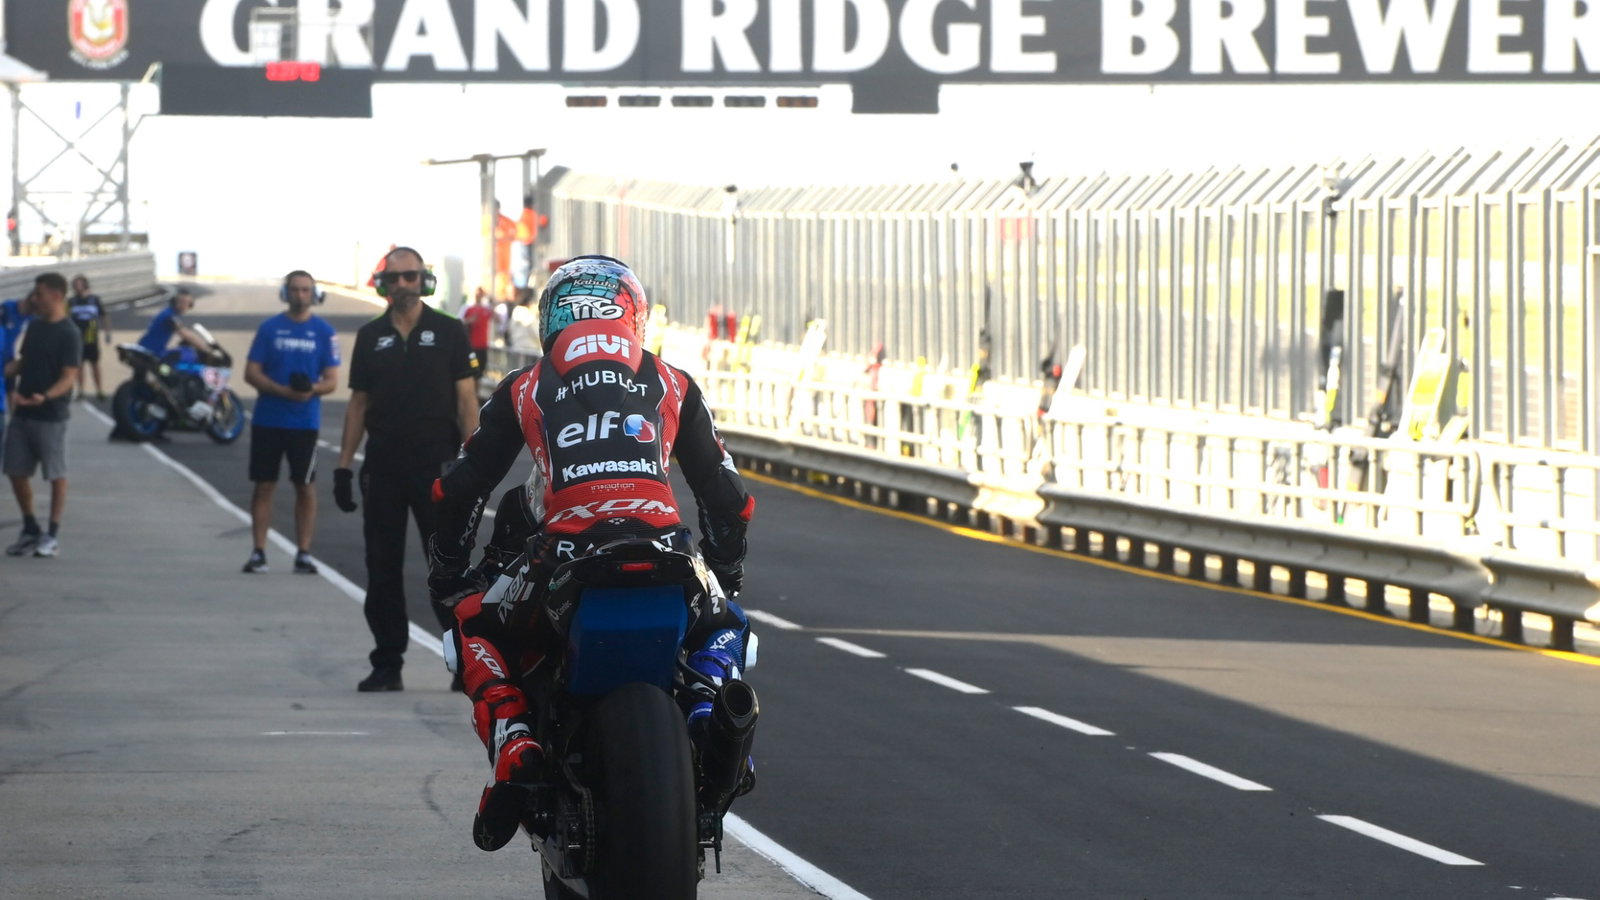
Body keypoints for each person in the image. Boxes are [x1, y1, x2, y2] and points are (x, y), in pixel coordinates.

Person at [426, 255, 755, 852]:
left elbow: (458, 489)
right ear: (634, 315)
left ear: (553, 319)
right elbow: (730, 499)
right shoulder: (672, 381)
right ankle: (712, 712)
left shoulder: (526, 385)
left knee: (474, 626)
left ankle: (516, 740)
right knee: (728, 623)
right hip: (666, 547)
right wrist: (724, 575)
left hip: (564, 552)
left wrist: (449, 576)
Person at [334, 246, 481, 693]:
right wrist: (343, 466)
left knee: (447, 568)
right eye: (395, 278)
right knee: (381, 568)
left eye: (410, 277)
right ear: (383, 283)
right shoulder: (370, 336)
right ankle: (387, 662)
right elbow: (358, 405)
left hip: (437, 467)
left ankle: (467, 662)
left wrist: (474, 465)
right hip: (383, 468)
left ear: (424, 280)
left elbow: (466, 401)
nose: (403, 285)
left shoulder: (450, 331)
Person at [241, 270, 341, 575]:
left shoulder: (324, 332)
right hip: (268, 419)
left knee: (305, 486)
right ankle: (259, 551)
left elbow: (332, 381)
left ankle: (304, 553)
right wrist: (280, 390)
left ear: (314, 294)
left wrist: (310, 389)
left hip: (305, 423)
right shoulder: (270, 328)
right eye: (295, 290)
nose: (300, 295)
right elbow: (251, 373)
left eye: (305, 290)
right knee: (264, 485)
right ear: (286, 292)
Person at [4, 273, 81, 558]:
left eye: (39, 294)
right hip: (23, 410)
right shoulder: (35, 328)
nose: (34, 299)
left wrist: (46, 396)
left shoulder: (69, 333)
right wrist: (9, 370)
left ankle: (52, 534)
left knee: (55, 475)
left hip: (51, 415)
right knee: (15, 471)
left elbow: (69, 376)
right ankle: (29, 528)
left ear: (56, 296)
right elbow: (25, 362)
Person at [0, 289, 38, 469]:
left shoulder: (33, 319)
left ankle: (13, 425)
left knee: (11, 391)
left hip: (11, 362)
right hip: (3, 357)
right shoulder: (7, 308)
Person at [67, 275, 112, 401]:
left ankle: (99, 390)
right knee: (79, 365)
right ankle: (81, 391)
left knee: (95, 364)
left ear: (85, 285)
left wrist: (108, 332)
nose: (77, 287)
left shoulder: (95, 299)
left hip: (92, 337)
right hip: (76, 338)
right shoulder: (71, 301)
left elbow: (104, 315)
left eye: (79, 284)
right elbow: (65, 317)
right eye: (75, 285)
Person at [137, 288, 210, 361]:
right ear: (175, 302)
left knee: (184, 348)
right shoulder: (170, 316)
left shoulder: (169, 312)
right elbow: (186, 334)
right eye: (181, 302)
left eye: (187, 303)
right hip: (152, 352)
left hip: (149, 349)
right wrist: (205, 349)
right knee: (188, 356)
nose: (184, 305)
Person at [460, 288, 495, 373]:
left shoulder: (486, 309)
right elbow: (459, 322)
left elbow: (497, 319)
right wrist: (469, 320)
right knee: (473, 369)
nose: (479, 296)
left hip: (483, 347)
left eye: (480, 295)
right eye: (477, 294)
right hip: (472, 348)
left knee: (481, 370)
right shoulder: (467, 308)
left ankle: (476, 385)